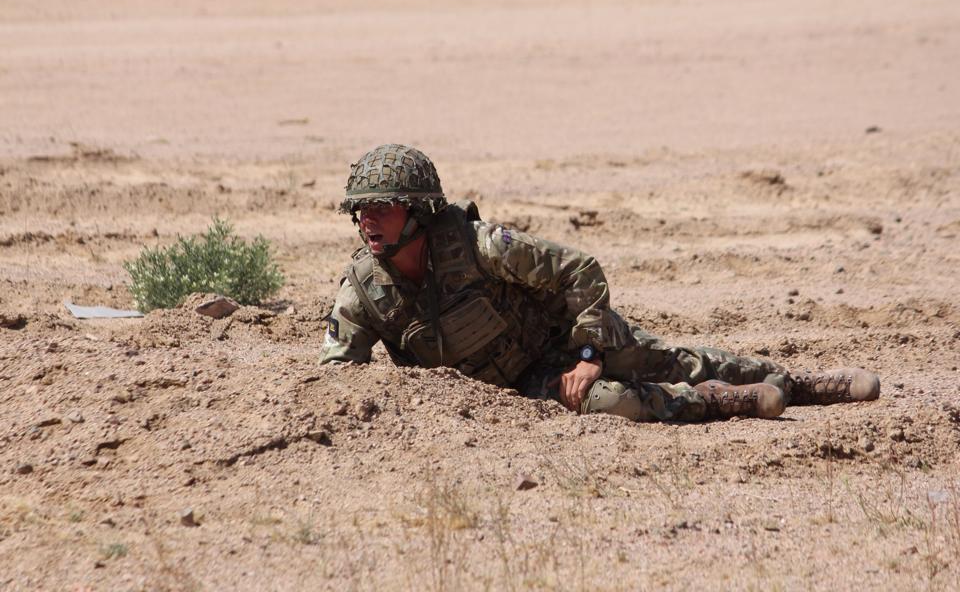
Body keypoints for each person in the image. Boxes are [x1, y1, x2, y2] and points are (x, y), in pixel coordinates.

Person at [320, 144, 880, 422]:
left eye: (384, 207)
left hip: (568, 334)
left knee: (666, 359)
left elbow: (578, 270)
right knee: (617, 404)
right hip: (524, 381)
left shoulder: (475, 243)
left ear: (418, 211)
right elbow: (339, 378)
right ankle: (729, 403)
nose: (369, 220)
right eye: (361, 211)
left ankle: (802, 385)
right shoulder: (364, 291)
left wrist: (589, 351)